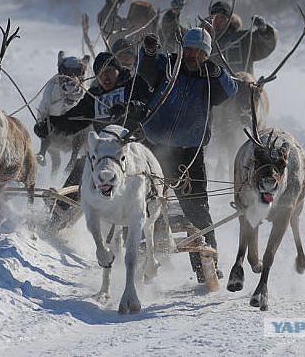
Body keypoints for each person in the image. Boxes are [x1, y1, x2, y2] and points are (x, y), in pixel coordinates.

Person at [138, 28, 238, 283]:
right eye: (190, 49)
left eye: (199, 51)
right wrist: (149, 52)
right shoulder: (168, 65)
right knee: (142, 203)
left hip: (189, 154)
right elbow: (147, 68)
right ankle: (138, 259)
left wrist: (217, 73)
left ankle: (207, 265)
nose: (193, 55)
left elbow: (230, 90)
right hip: (154, 147)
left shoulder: (210, 76)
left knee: (197, 210)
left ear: (206, 54)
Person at [34, 51, 150, 232]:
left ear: (118, 70)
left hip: (134, 150)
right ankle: (59, 215)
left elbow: (147, 106)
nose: (105, 76)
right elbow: (73, 120)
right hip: (105, 154)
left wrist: (129, 108)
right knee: (82, 166)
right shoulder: (94, 96)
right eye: (100, 73)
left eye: (110, 71)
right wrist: (50, 126)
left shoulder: (134, 85)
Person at [204, 0, 277, 75]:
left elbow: (265, 46)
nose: (218, 21)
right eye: (215, 17)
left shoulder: (243, 39)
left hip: (242, 83)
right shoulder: (204, 39)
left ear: (230, 19)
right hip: (211, 85)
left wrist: (264, 30)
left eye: (222, 18)